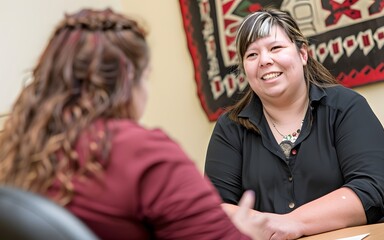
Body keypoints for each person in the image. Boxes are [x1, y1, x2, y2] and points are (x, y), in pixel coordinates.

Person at [0, 8, 270, 240]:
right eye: (146, 78)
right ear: (129, 79)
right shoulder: (142, 152)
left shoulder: (14, 145)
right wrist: (245, 233)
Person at [205, 8, 384, 240]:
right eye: (252, 55)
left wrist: (289, 224)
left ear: (302, 54)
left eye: (275, 48)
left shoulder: (347, 107)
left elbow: (370, 190)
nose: (264, 60)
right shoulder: (230, 127)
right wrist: (275, 228)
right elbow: (215, 209)